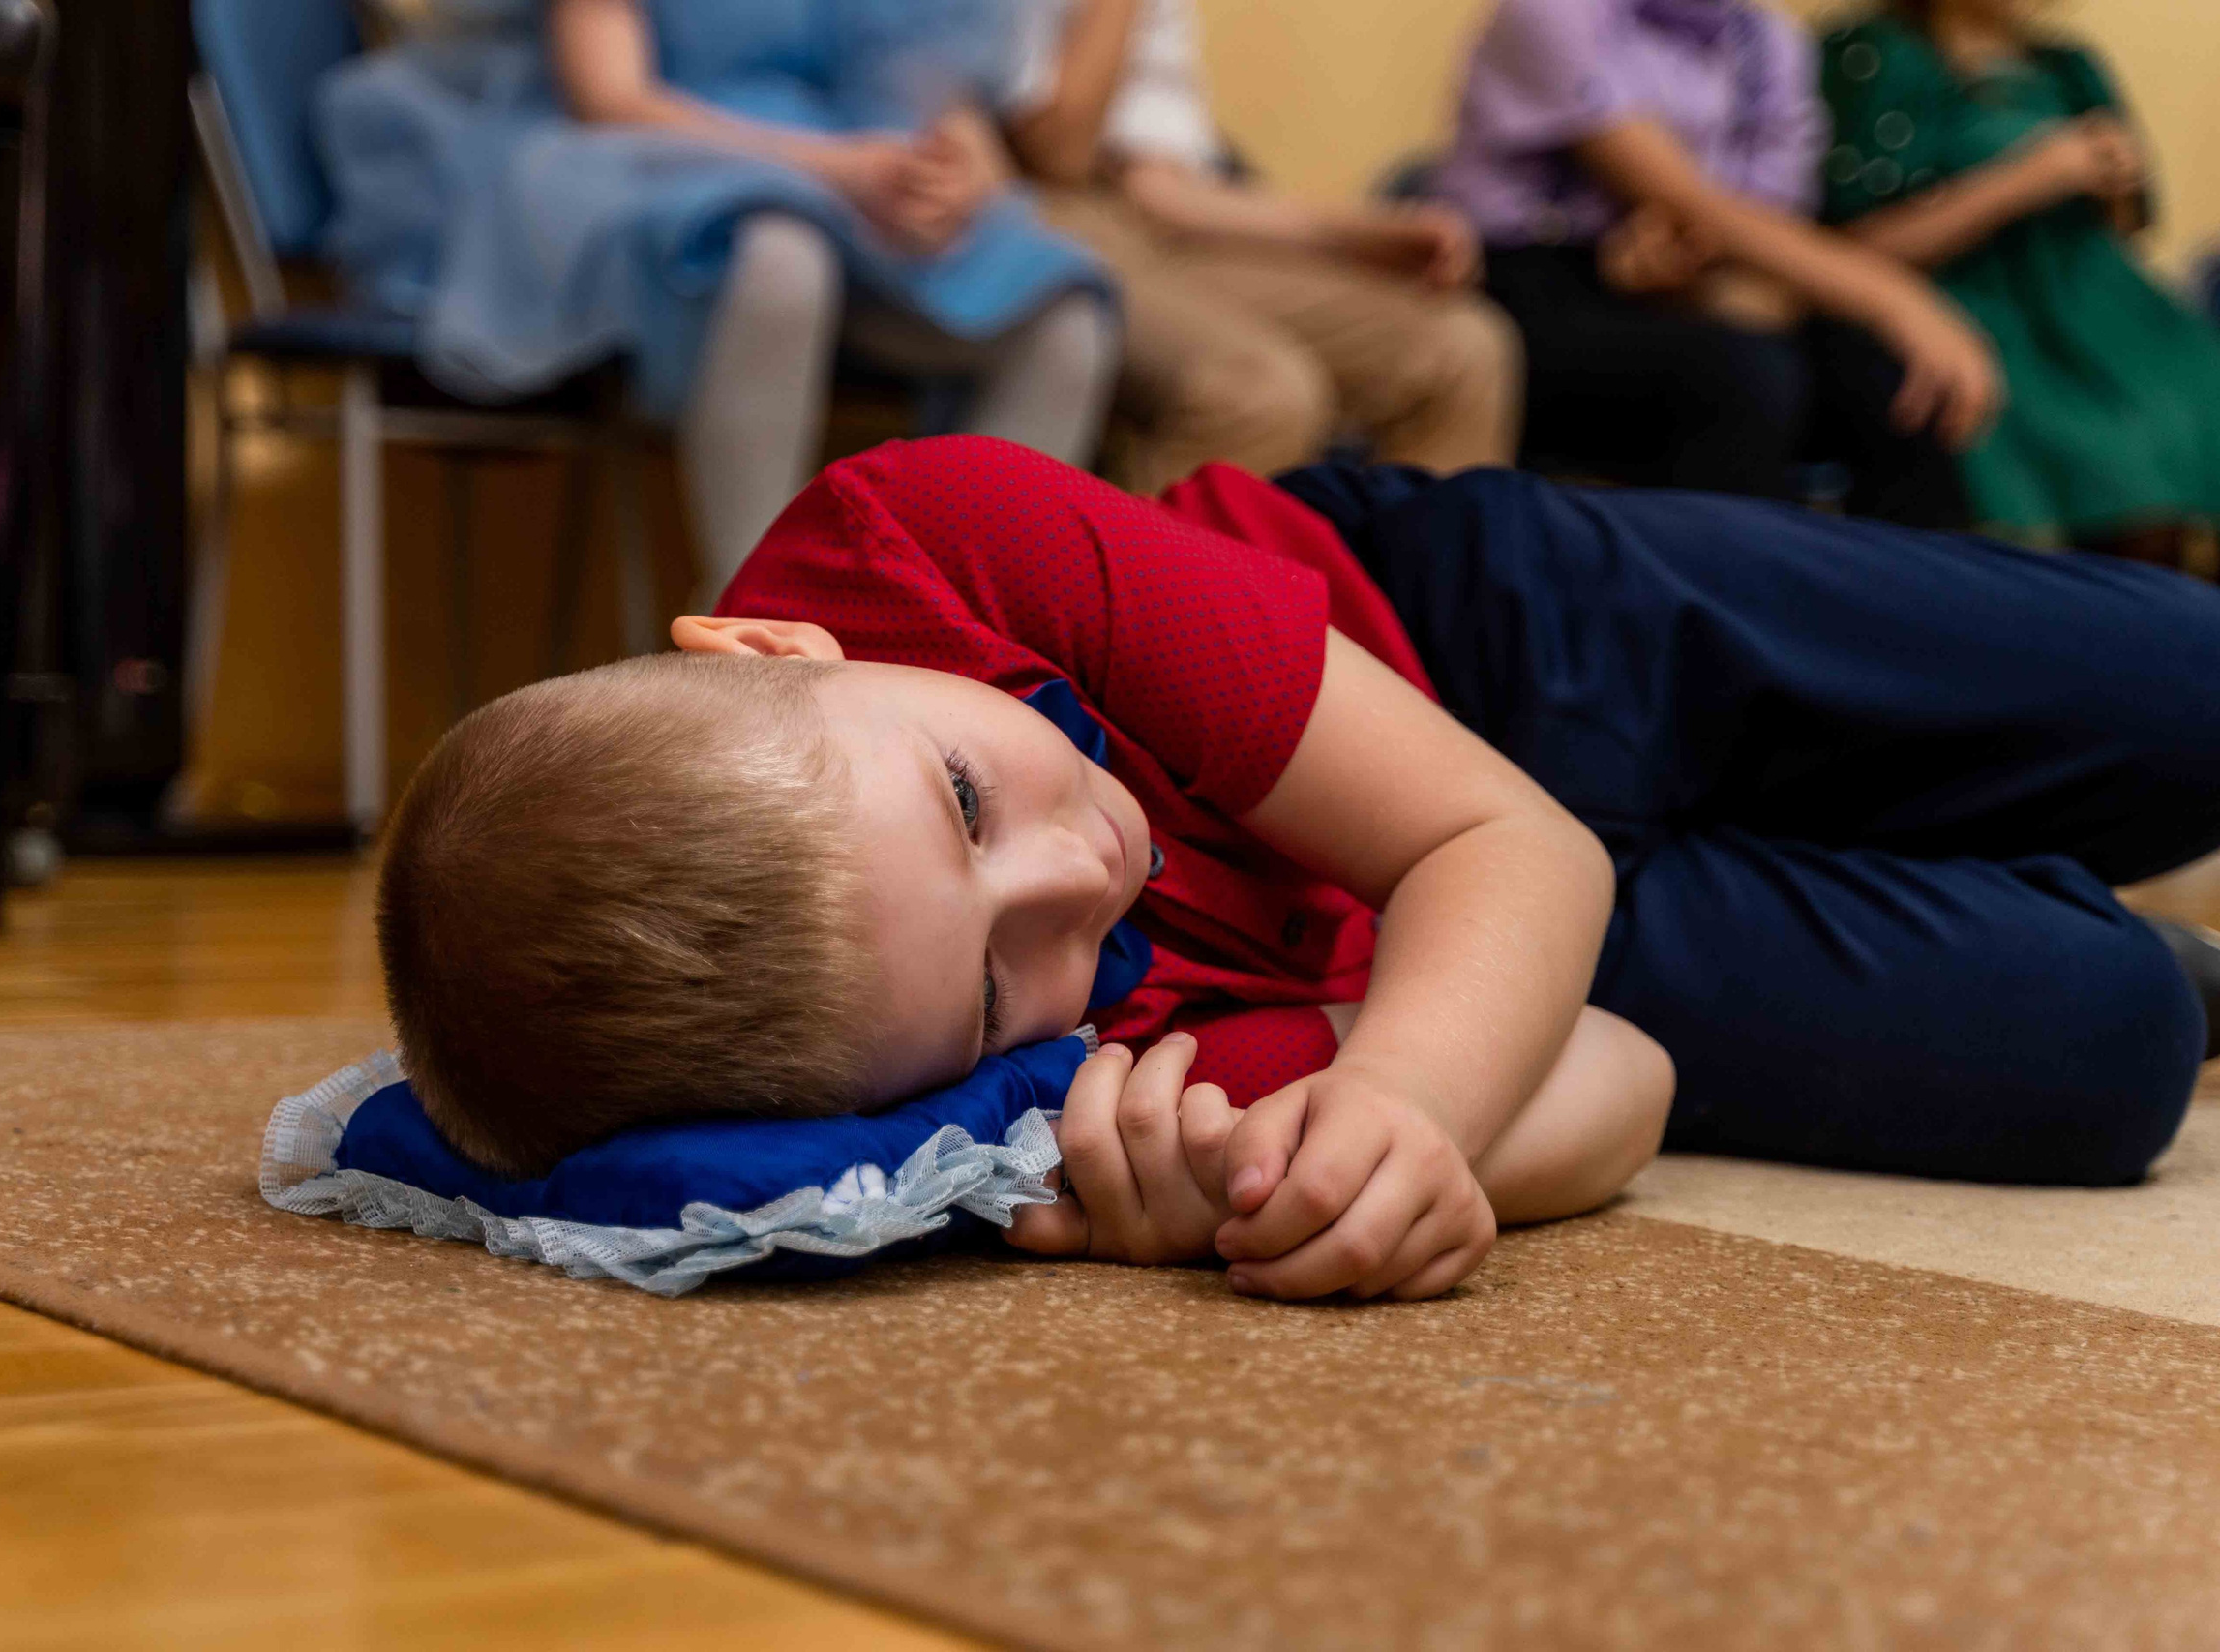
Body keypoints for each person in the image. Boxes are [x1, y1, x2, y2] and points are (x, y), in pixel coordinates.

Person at [375, 436, 2220, 1302]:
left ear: (779, 652)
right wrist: (1336, 1168)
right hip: (1511, 932)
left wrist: (1403, 1072)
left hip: (1494, 656)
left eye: (963, 801)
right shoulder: (1069, 1080)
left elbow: (1507, 835)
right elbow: (1629, 1073)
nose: (1081, 874)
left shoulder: (936, 533)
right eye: (1008, 971)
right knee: (2111, 1038)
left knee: (2179, 687)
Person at [317, 0, 1117, 605]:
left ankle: (959, 633)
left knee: (1065, 318)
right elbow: (609, 98)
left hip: (855, 177)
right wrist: (836, 169)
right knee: (780, 255)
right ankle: (754, 628)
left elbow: (932, 96)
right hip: (649, 162)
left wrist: (958, 174)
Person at [1435, 0, 2001, 526]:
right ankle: (1732, 617)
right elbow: (1687, 200)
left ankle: (1913, 617)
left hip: (1700, 275)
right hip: (1525, 284)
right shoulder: (1554, 14)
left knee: (1892, 385)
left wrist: (1699, 274)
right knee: (1741, 378)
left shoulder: (1770, 41)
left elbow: (1761, 226)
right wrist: (1896, 300)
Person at [998, 0, 1522, 494]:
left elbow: (1159, 190)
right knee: (1259, 394)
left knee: (1462, 348)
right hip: (1015, 208)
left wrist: (1355, 234)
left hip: (1146, 219)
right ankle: (1153, 590)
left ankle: (1384, 591)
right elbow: (1056, 153)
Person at [1821, 3, 2220, 573]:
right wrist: (2029, 178)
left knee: (2194, 403)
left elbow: (2132, 224)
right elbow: (1849, 249)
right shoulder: (1877, 56)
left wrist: (2115, 178)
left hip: (2108, 317)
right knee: (2121, 468)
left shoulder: (2066, 65)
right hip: (1985, 321)